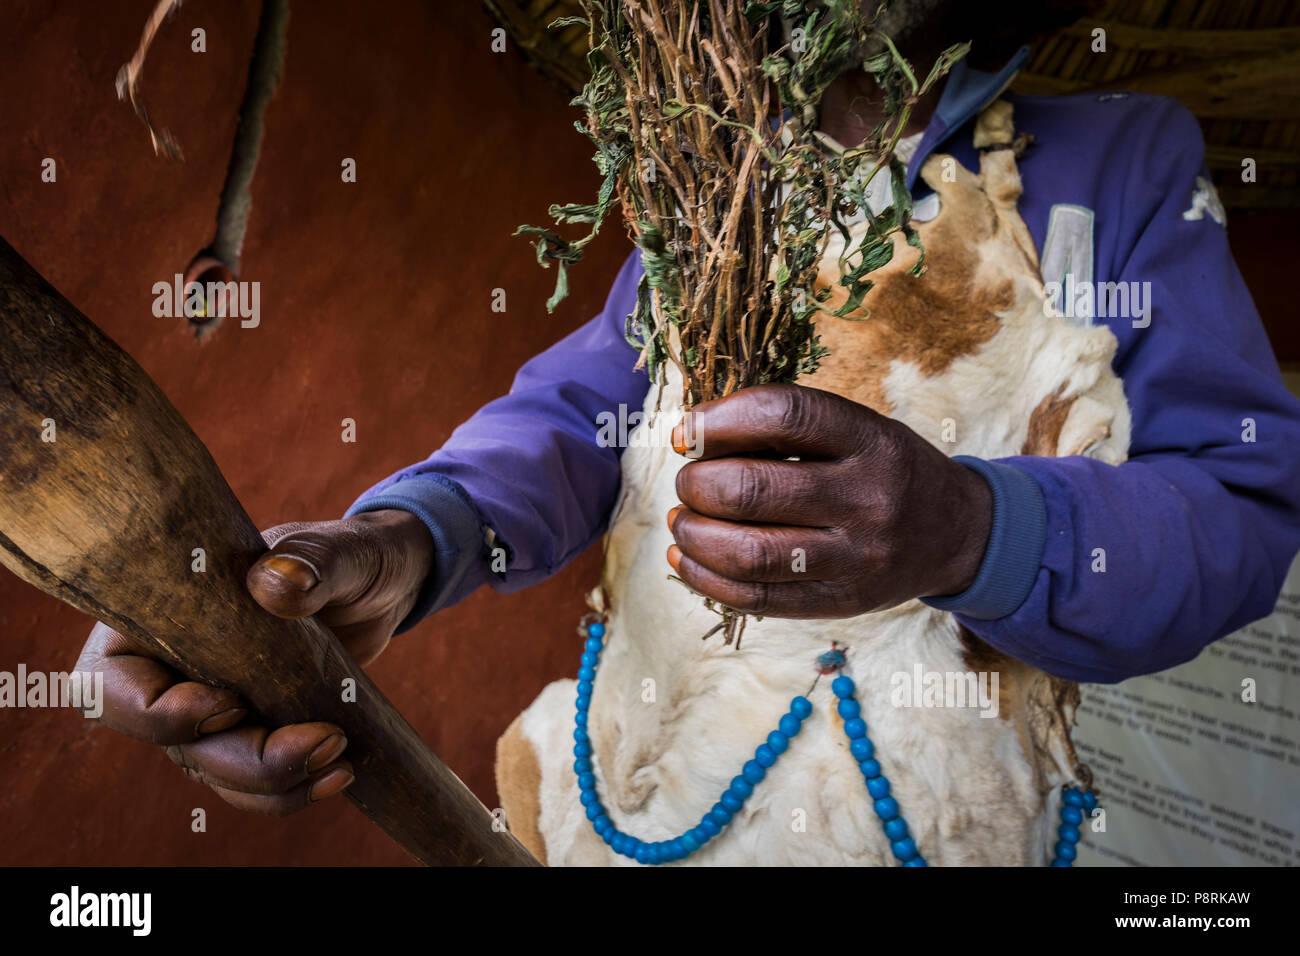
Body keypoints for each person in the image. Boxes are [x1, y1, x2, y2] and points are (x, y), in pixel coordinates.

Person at [75, 2, 1300, 818]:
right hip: (648, 791)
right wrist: (415, 539)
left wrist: (972, 528)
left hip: (945, 814)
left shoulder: (1126, 164)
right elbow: (589, 406)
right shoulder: (716, 183)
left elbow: (1239, 501)